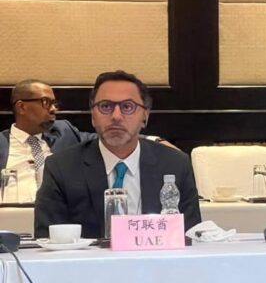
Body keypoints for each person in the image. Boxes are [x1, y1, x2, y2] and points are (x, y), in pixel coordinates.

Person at [35, 71, 201, 238]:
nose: (116, 116)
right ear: (93, 116)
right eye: (105, 106)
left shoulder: (175, 164)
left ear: (145, 116)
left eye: (127, 107)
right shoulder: (61, 168)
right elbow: (47, 238)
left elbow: (192, 237)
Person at [0, 80, 95, 201]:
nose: (53, 109)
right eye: (46, 102)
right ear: (21, 107)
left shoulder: (65, 132)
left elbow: (103, 140)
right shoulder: (2, 143)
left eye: (54, 104)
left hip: (59, 211)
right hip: (11, 211)